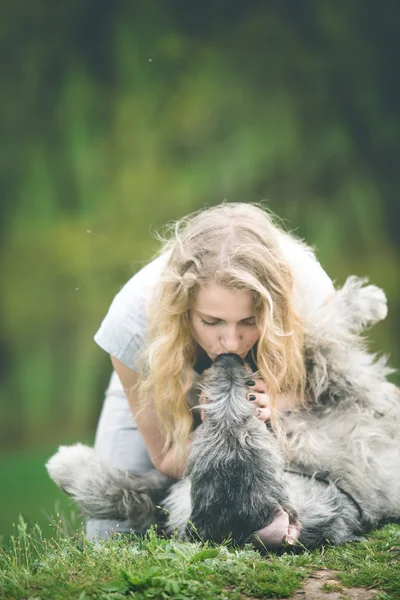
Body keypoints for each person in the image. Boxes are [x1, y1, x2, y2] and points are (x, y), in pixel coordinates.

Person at [87, 202, 335, 541]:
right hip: (159, 373)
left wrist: (282, 401)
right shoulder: (131, 323)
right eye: (211, 321)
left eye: (250, 321)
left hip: (281, 373)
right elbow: (166, 456)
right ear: (183, 309)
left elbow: (339, 395)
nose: (232, 342)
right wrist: (214, 432)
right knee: (109, 532)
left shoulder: (310, 293)